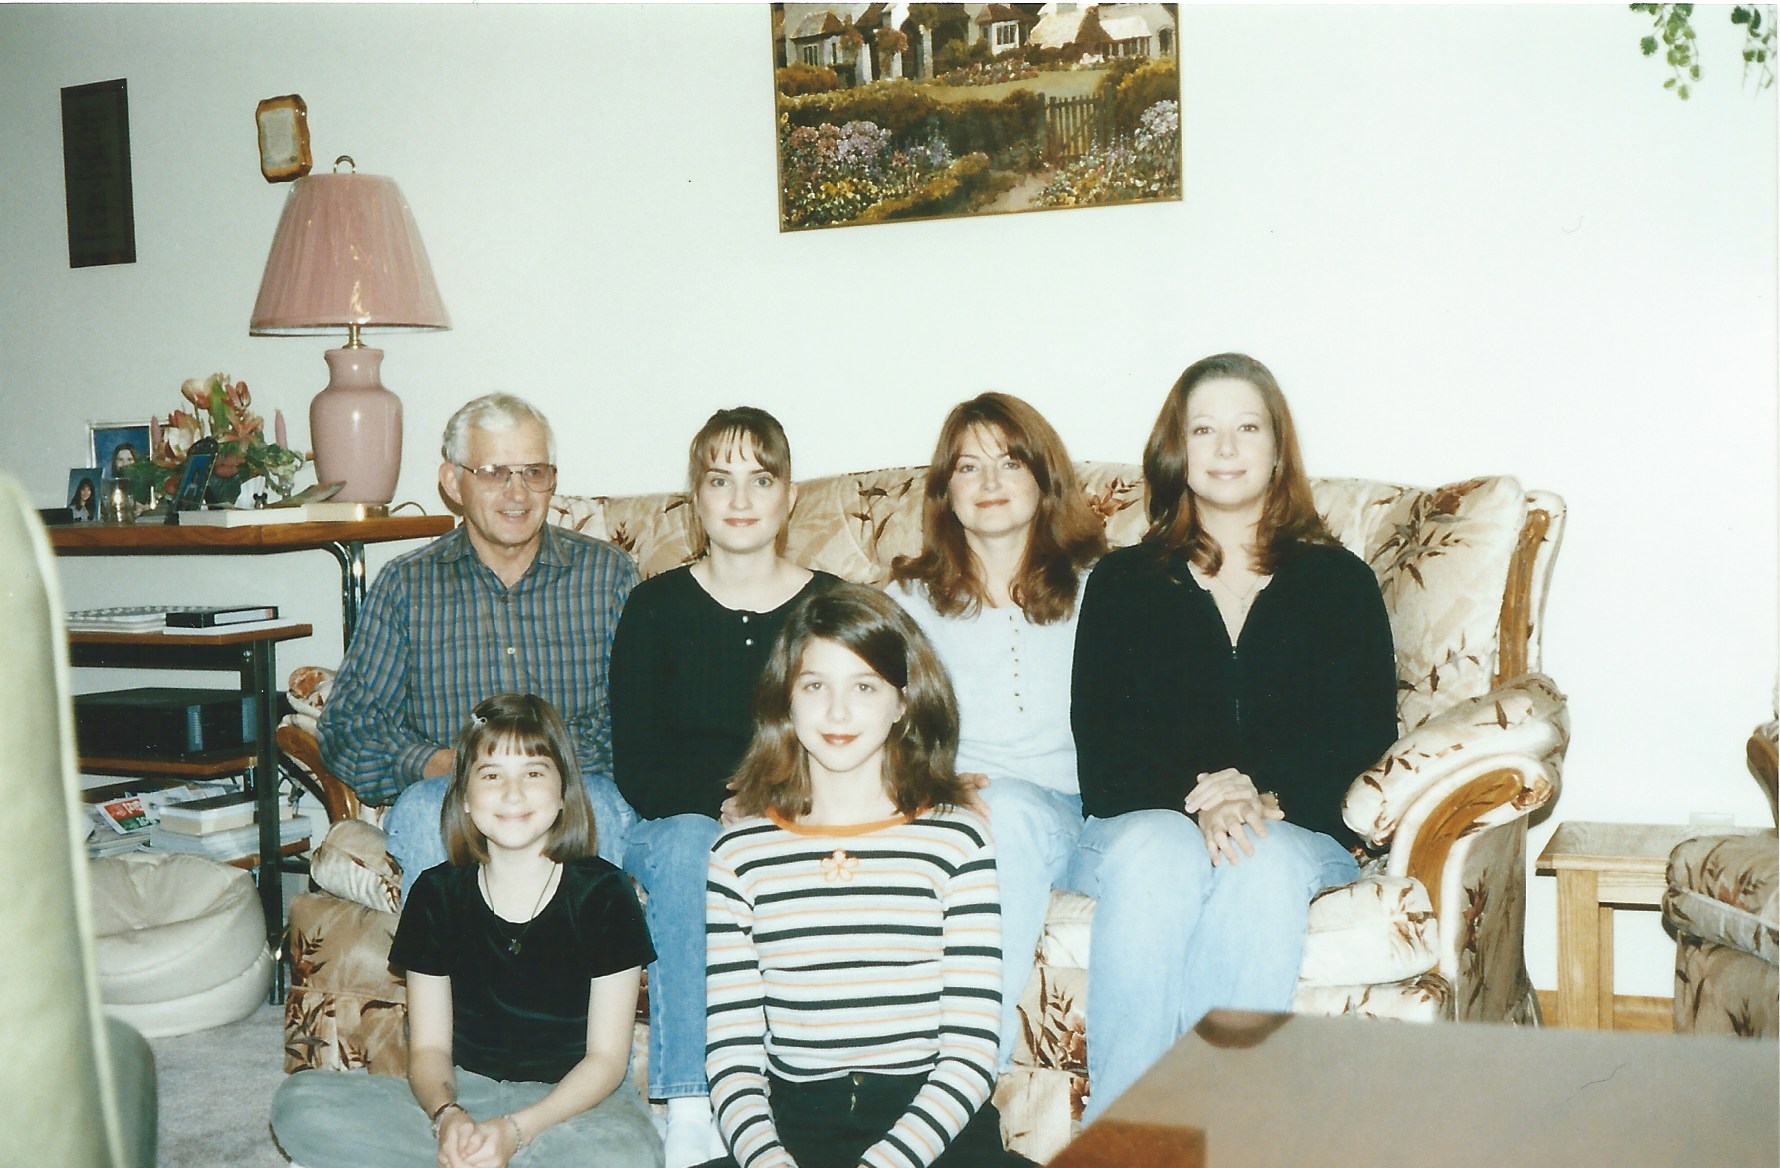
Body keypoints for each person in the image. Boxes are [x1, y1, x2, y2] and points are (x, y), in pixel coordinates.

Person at [1069, 352, 1399, 1119]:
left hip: (1293, 829)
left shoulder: (1340, 584)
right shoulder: (1122, 583)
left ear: (1278, 449)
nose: (1224, 448)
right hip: (1143, 824)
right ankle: (1122, 1139)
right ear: (1176, 451)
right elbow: (1105, 749)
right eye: (1203, 430)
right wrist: (1203, 799)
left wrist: (1266, 795)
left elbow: (1365, 739)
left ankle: (1216, 1134)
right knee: (1162, 853)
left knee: (1260, 861)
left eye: (1246, 428)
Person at [703, 584, 1030, 1168]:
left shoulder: (957, 841)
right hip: (796, 1136)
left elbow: (971, 1054)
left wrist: (887, 1162)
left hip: (934, 1137)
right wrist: (765, 1158)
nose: (837, 712)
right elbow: (732, 1058)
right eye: (814, 686)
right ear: (786, 700)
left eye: (864, 686)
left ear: (902, 702)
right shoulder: (739, 853)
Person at [270, 693, 663, 1168]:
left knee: (626, 1155)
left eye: (534, 773)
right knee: (299, 1104)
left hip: (573, 1105)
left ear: (563, 793)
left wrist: (515, 1130)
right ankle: (473, 1154)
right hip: (465, 1092)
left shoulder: (605, 892)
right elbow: (429, 1048)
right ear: (466, 799)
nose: (512, 794)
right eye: (491, 775)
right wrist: (447, 1117)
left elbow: (606, 1061)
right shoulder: (437, 892)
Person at [608, 406, 838, 1166]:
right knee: (690, 847)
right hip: (676, 821)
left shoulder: (831, 607)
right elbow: (639, 762)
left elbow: (858, 734)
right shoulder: (654, 607)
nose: (740, 500)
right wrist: (720, 804)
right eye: (720, 480)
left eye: (760, 481)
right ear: (695, 498)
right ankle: (691, 1103)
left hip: (801, 811)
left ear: (789, 496)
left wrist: (772, 802)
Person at [319, 393, 638, 899]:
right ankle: (458, 955)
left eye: (533, 472)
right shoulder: (406, 586)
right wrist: (441, 764)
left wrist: (546, 765)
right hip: (451, 794)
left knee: (600, 808)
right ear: (453, 482)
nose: (517, 493)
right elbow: (349, 727)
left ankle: (583, 952)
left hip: (578, 788)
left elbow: (644, 715)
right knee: (423, 811)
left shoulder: (607, 576)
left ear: (552, 479)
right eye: (494, 473)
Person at [886, 392, 1105, 1067]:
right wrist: (931, 784)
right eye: (967, 467)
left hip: (1074, 813)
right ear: (945, 492)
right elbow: (868, 725)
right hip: (952, 807)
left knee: (1006, 813)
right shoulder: (906, 601)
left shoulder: (1103, 588)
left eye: (1010, 463)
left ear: (1043, 480)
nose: (989, 482)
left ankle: (968, 1071)